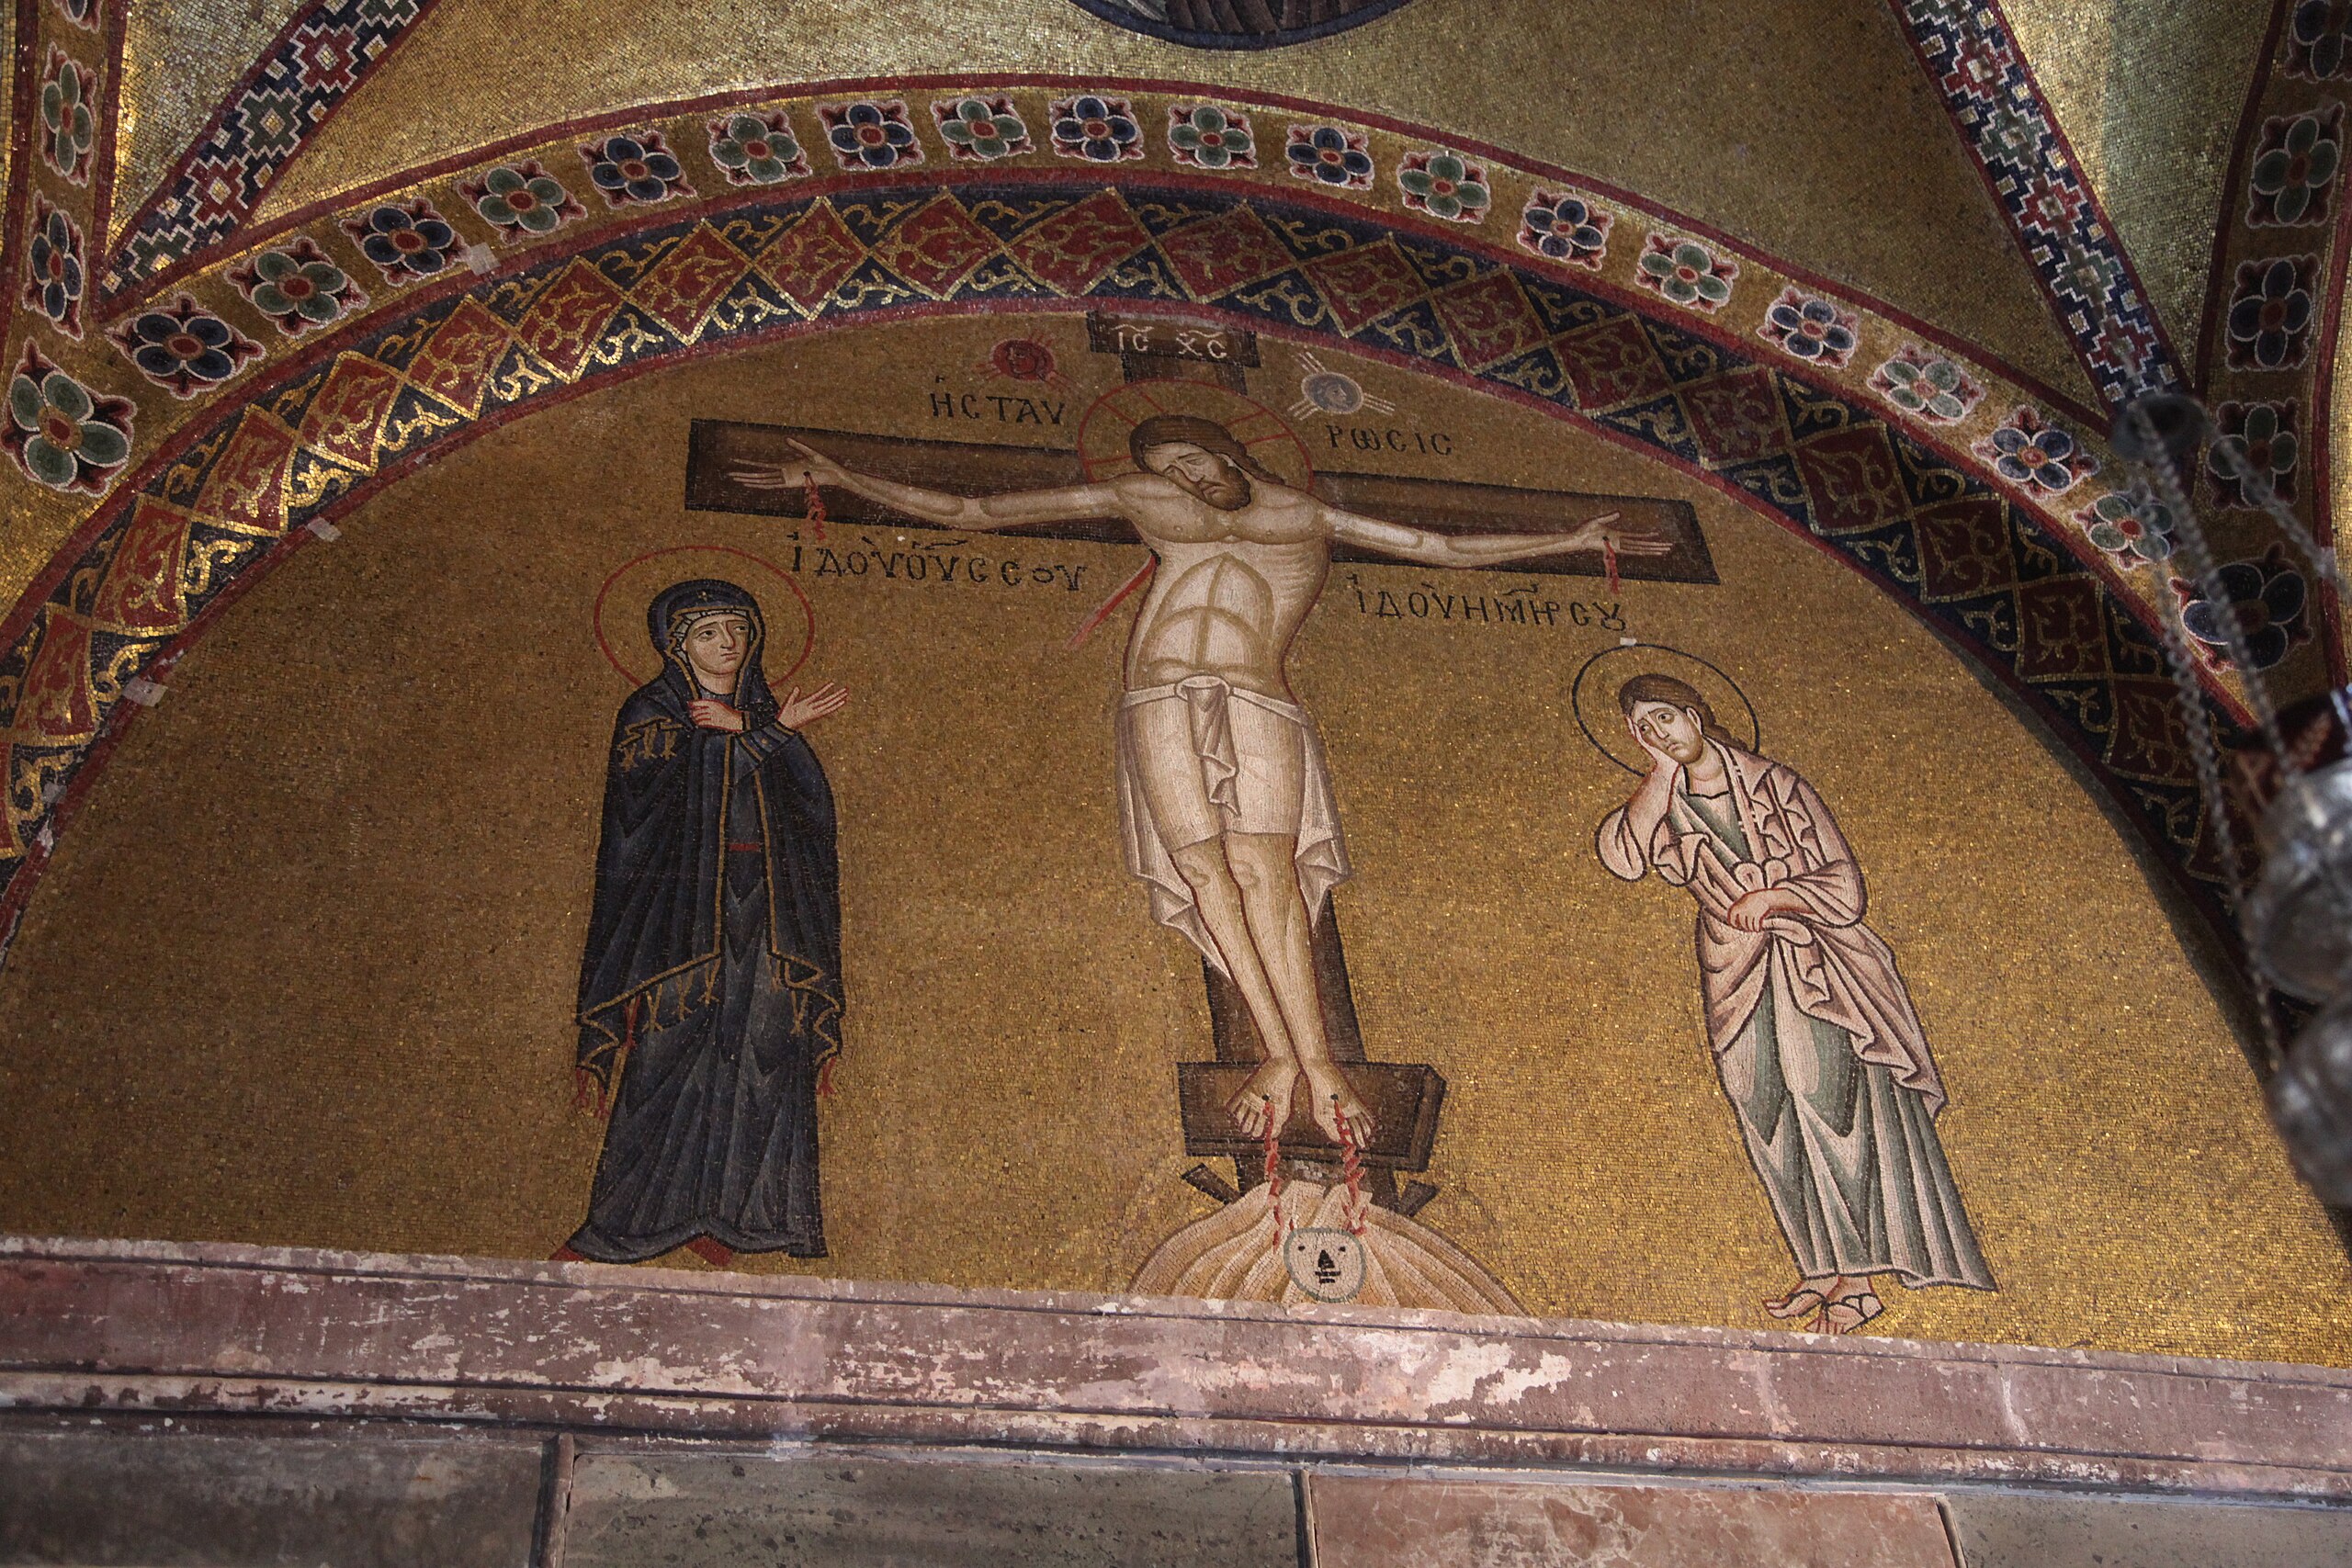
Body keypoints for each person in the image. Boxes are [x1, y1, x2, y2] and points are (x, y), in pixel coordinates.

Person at [733, 415, 1663, 1145]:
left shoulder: (1302, 515)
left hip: (1255, 698)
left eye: (1189, 460)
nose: (1181, 478)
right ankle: (1278, 1054)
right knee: (1202, 874)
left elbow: (1441, 547)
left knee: (1264, 870)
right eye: (1166, 469)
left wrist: (1573, 539)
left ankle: (1321, 1065)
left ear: (1226, 453)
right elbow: (977, 510)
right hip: (1154, 697)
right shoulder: (1148, 501)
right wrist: (839, 477)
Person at [1595, 673, 1996, 1333]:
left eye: (1665, 717)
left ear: (1695, 713)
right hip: (1733, 971)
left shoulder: (1776, 785)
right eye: (1645, 728)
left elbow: (1846, 886)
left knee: (1822, 1100)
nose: (1659, 733)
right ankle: (1822, 1266)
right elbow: (1623, 856)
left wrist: (1777, 896)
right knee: (1763, 1108)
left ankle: (1860, 1280)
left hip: (1814, 966)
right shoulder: (1665, 801)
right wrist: (1660, 775)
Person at [560, 579, 851, 1266]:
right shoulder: (651, 713)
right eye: (710, 632)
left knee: (764, 1054)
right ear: (676, 645)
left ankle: (735, 1221)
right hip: (684, 917)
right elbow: (650, 809)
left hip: (768, 912)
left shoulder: (761, 714)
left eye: (739, 629)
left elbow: (811, 812)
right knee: (668, 1055)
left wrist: (760, 730)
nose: (729, 644)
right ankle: (624, 1225)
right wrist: (767, 734)